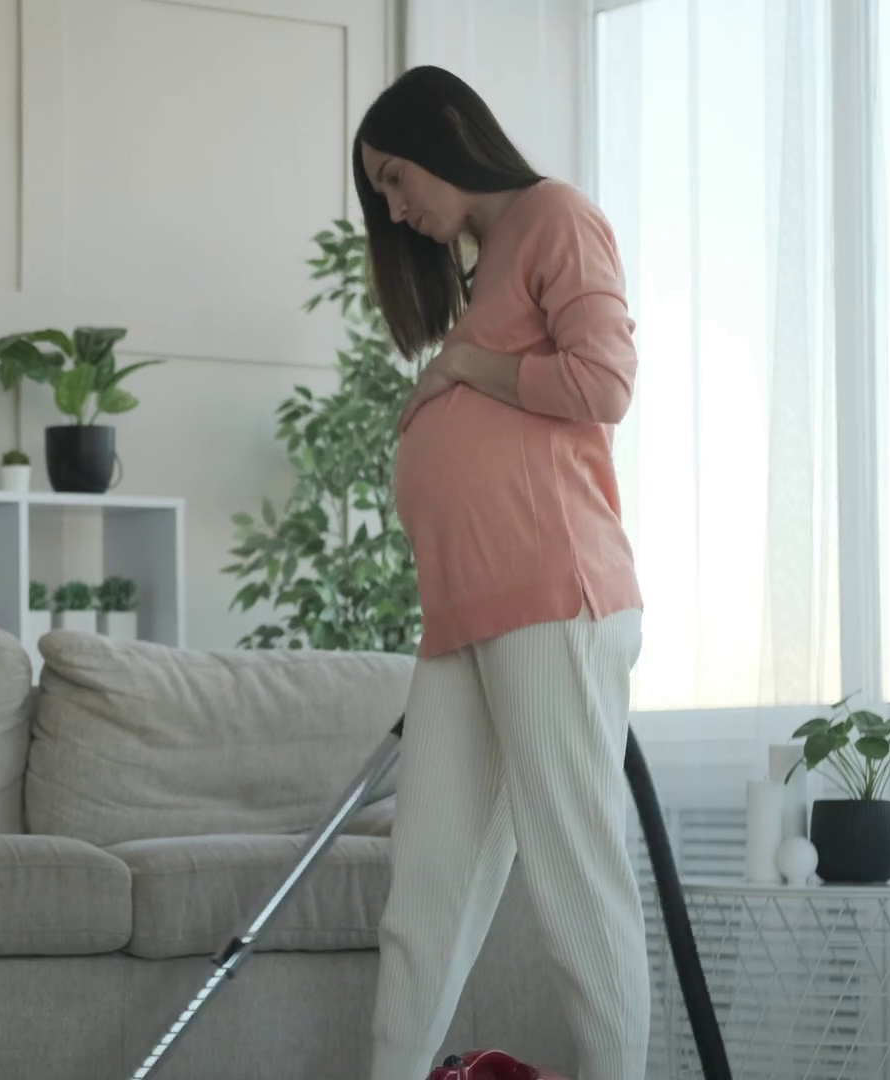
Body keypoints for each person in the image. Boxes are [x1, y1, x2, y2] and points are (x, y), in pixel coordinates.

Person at [353, 66, 648, 1080]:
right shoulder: (487, 267)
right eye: (382, 197)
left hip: (551, 595)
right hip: (464, 618)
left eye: (395, 180)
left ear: (446, 129)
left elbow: (604, 381)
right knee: (426, 885)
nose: (396, 209)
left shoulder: (554, 215)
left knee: (577, 878)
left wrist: (466, 371)